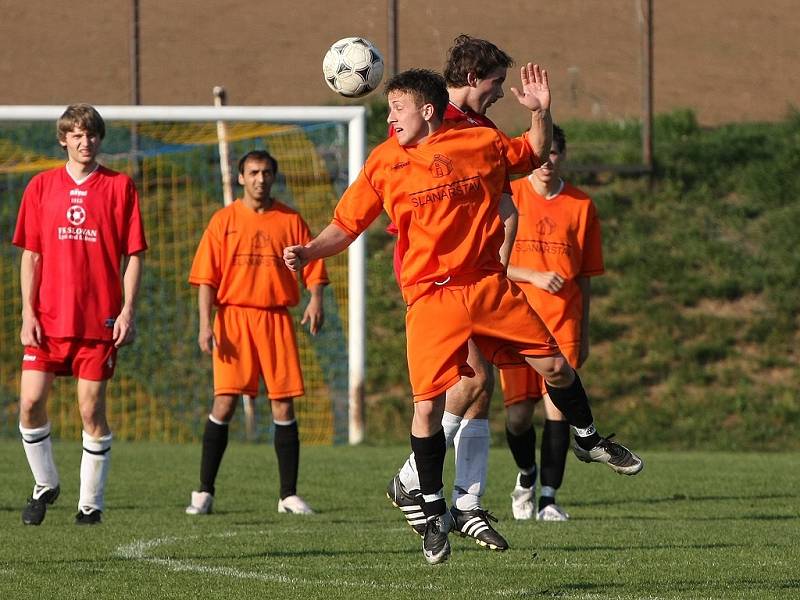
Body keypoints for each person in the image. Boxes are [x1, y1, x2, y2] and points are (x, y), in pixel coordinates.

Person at [284, 69, 643, 564]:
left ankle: (587, 439)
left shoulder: (479, 141)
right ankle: (434, 516)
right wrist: (309, 252)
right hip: (431, 297)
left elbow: (534, 153)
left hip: (487, 285)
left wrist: (540, 110)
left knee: (557, 368)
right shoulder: (384, 161)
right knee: (428, 407)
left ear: (427, 110)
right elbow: (346, 225)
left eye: (397, 109)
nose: (389, 119)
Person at [386, 34, 552, 552]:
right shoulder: (427, 127)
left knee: (481, 386)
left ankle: (464, 501)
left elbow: (503, 203)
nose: (501, 92)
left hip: (479, 278)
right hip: (441, 281)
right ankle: (422, 482)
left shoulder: (481, 131)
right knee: (472, 380)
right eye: (497, 83)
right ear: (472, 78)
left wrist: (498, 266)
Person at [13, 103, 147, 526]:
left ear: (99, 139)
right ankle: (45, 483)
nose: (84, 142)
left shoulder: (120, 187)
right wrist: (27, 312)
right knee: (31, 403)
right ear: (63, 139)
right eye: (76, 135)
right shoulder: (40, 186)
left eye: (90, 135)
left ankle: (90, 504)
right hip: (48, 319)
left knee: (91, 411)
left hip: (98, 321)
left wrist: (126, 310)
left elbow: (135, 256)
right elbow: (30, 256)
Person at [185, 150, 327, 516]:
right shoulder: (224, 220)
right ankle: (203, 492)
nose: (260, 179)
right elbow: (205, 279)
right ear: (240, 178)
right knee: (225, 402)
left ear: (273, 177)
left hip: (276, 319)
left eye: (266, 172)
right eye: (253, 172)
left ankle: (288, 495)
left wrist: (315, 299)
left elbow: (312, 262)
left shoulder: (290, 219)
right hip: (232, 318)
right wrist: (205, 324)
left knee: (283, 403)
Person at [502, 125, 605, 521]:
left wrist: (585, 329)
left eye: (555, 154)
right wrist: (534, 275)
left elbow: (586, 276)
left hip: (563, 323)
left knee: (557, 410)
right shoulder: (510, 196)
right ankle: (526, 475)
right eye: (542, 154)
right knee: (517, 417)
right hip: (517, 321)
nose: (547, 162)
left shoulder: (581, 205)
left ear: (563, 155)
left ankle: (548, 499)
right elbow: (495, 265)